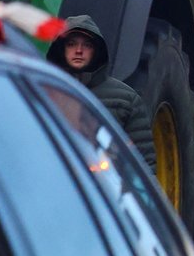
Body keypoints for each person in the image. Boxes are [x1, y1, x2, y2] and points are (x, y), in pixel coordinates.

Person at [46, 15, 157, 170]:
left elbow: (144, 164)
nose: (78, 51)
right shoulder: (44, 94)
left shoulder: (126, 99)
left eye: (87, 45)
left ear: (96, 50)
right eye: (71, 44)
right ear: (61, 48)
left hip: (107, 189)